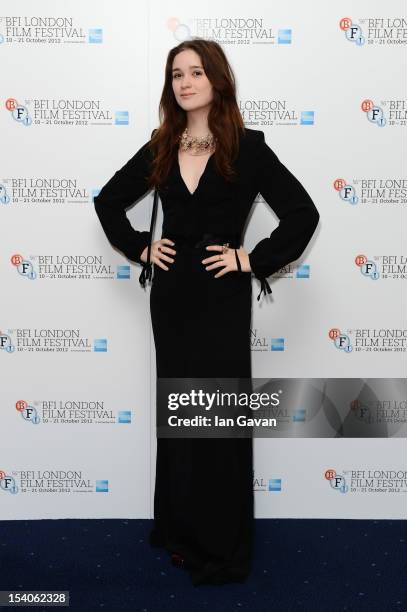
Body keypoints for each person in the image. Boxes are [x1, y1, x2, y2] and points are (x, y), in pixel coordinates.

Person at [93, 38, 320, 586]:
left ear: (217, 79)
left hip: (221, 297)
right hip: (172, 297)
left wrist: (250, 258)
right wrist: (140, 247)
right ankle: (178, 529)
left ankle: (221, 545)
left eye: (196, 71)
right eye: (176, 74)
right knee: (179, 414)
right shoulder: (161, 145)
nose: (186, 81)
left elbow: (302, 214)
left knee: (216, 418)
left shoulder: (248, 147)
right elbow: (106, 201)